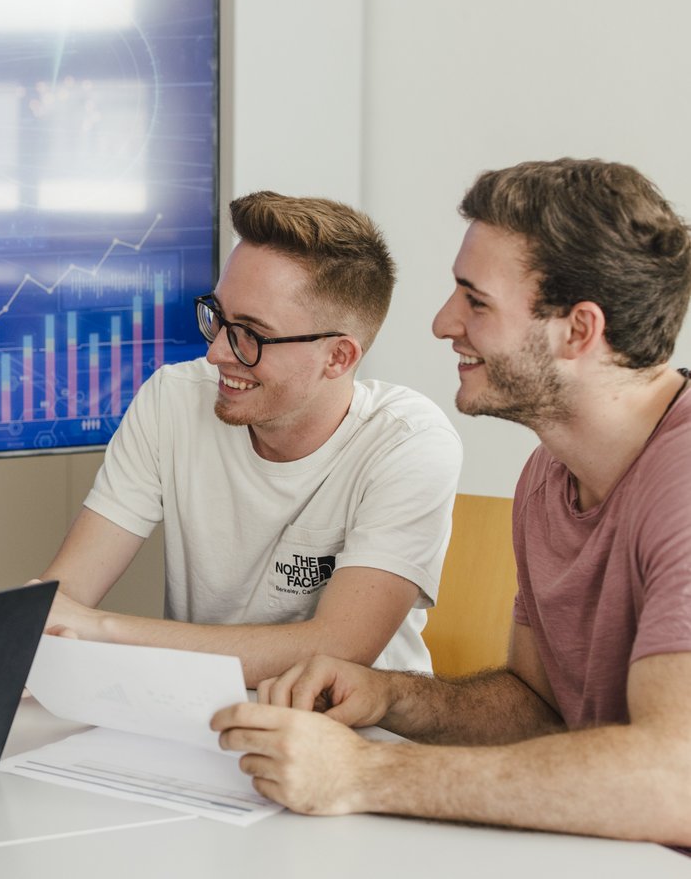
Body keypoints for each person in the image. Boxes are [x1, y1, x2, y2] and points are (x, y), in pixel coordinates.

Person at [214, 158, 691, 846]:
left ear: (578, 330)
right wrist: (387, 695)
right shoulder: (546, 479)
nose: (443, 322)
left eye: (475, 300)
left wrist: (364, 773)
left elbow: (674, 778)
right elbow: (537, 707)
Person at [40, 191, 462, 685]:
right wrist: (41, 628)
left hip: (358, 735)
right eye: (217, 317)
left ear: (339, 358)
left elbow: (339, 649)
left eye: (251, 334)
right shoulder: (172, 399)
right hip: (198, 714)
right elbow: (64, 598)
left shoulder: (410, 443)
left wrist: (101, 630)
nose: (218, 351)